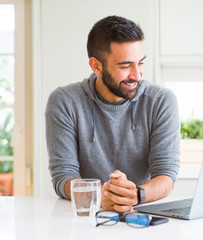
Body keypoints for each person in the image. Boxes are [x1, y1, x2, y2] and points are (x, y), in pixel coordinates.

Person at [45, 15, 180, 212]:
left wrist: (136, 194)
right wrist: (100, 195)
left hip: (141, 214)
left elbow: (166, 175)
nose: (136, 74)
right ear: (96, 66)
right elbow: (63, 177)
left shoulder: (161, 100)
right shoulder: (64, 101)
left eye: (140, 63)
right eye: (125, 66)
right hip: (88, 217)